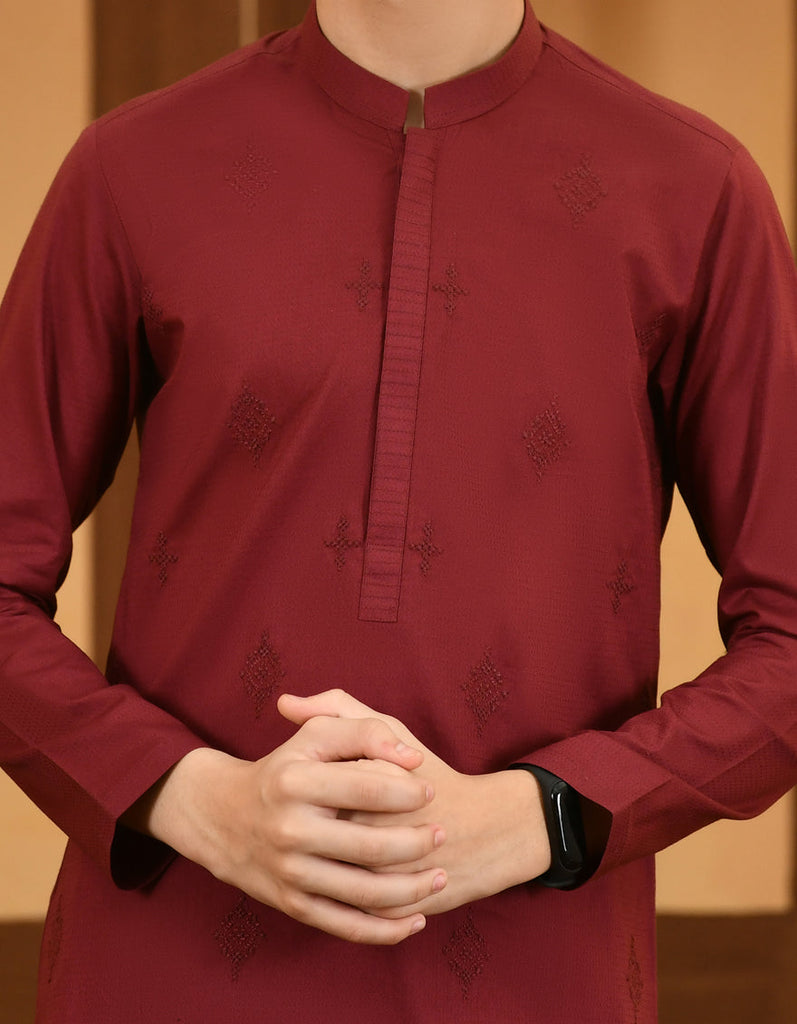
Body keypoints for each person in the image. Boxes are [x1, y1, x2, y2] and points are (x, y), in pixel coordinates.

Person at [1, 0, 796, 1020]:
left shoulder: (692, 190)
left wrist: (547, 816)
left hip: (536, 978)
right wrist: (192, 798)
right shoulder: (132, 168)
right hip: (167, 968)